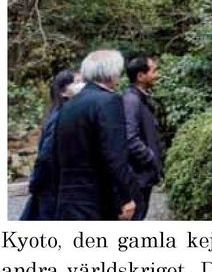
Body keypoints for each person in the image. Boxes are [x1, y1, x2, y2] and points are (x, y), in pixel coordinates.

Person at [52, 49, 138, 220]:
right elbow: (115, 154)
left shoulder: (69, 104)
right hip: (98, 198)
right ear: (113, 73)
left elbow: (55, 152)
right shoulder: (109, 101)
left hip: (68, 197)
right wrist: (125, 197)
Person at [20, 69, 81, 220]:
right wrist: (36, 181)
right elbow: (46, 155)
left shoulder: (64, 112)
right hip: (52, 185)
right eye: (77, 83)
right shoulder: (61, 116)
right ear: (63, 92)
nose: (82, 87)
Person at [122, 53, 165, 220]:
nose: (157, 75)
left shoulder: (140, 98)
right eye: (153, 71)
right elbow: (130, 137)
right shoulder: (131, 101)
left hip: (144, 175)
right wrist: (150, 157)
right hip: (138, 176)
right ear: (141, 76)